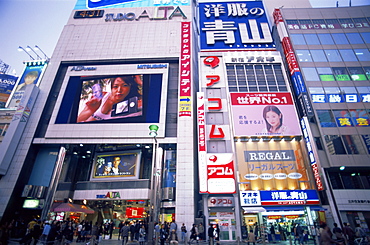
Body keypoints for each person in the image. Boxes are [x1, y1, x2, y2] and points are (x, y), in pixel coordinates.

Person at [77, 76, 141, 122]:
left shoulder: (135, 104)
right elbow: (78, 121)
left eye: (125, 85)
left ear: (130, 87)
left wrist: (140, 82)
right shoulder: (101, 97)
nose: (119, 90)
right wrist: (90, 110)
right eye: (115, 86)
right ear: (111, 88)